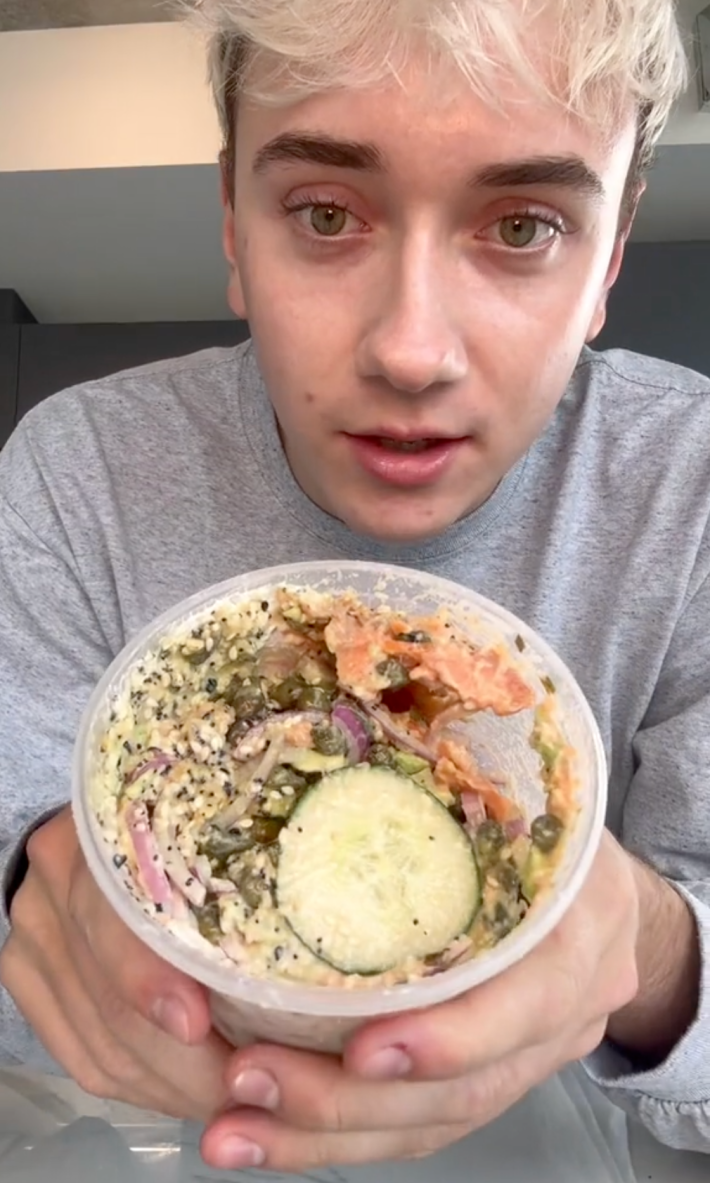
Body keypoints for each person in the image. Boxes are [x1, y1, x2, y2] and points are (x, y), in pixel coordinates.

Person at [0, 0, 708, 1171]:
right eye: (324, 213)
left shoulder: (688, 489)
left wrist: (648, 948)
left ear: (608, 261)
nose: (409, 350)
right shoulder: (76, 475)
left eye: (523, 226)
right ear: (232, 225)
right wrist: (38, 900)